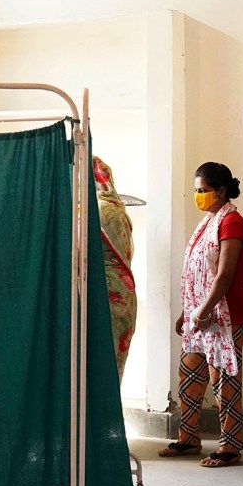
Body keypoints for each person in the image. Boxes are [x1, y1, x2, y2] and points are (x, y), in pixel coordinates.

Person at [158, 162, 243, 468]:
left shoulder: (231, 222)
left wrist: (204, 309)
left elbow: (223, 276)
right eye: (196, 191)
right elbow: (196, 273)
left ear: (221, 191)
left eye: (203, 191)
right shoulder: (208, 222)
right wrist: (188, 312)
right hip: (200, 313)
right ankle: (189, 438)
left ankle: (230, 447)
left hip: (226, 312)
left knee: (224, 379)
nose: (198, 196)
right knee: (190, 374)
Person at [94, 156, 138, 380]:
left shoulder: (99, 211)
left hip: (108, 291)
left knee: (102, 362)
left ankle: (102, 413)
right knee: (114, 362)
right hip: (123, 291)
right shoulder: (117, 208)